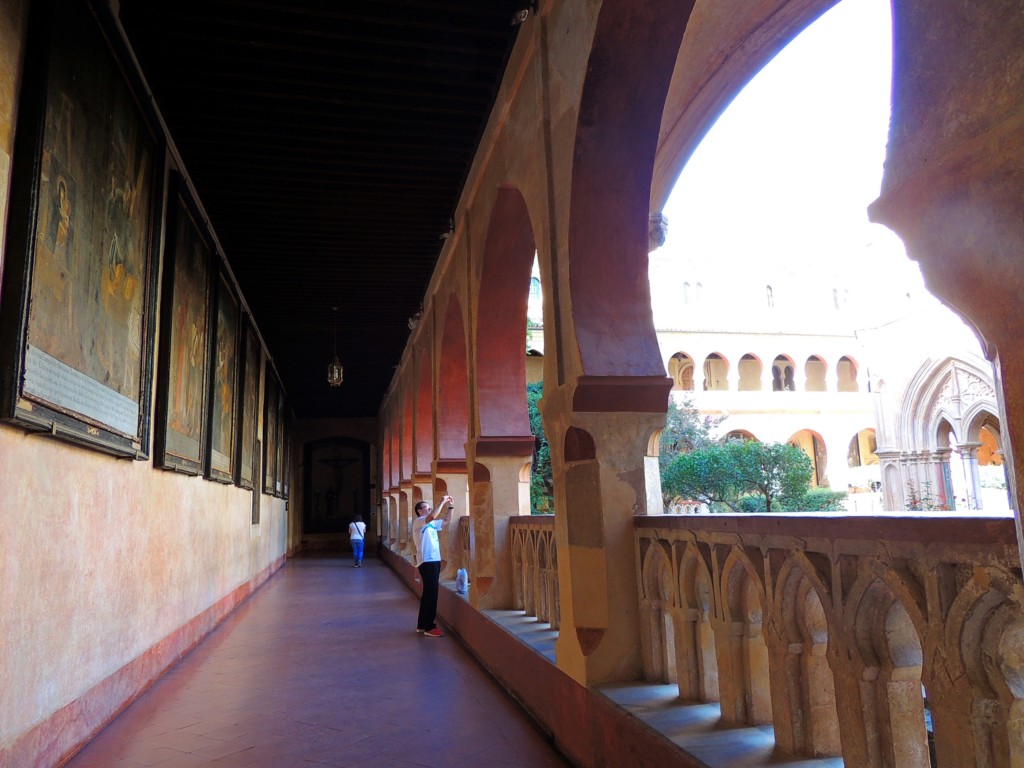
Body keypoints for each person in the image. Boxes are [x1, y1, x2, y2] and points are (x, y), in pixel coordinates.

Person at [412, 494, 453, 637]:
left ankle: (422, 624)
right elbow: (432, 516)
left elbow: (447, 521)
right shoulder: (419, 521)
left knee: (429, 593)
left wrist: (450, 507)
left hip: (434, 560)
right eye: (426, 507)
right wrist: (441, 501)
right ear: (420, 511)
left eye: (430, 507)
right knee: (432, 593)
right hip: (427, 561)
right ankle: (430, 627)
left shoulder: (431, 523)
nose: (429, 509)